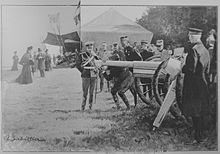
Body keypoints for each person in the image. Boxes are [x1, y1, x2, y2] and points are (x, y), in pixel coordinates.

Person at [182, 27, 210, 143]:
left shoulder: (193, 50)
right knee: (200, 110)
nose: (188, 38)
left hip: (193, 86)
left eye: (190, 35)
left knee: (194, 112)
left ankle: (198, 138)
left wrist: (182, 67)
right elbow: (206, 69)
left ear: (194, 36)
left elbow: (190, 69)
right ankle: (201, 135)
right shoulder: (204, 49)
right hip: (202, 83)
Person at [102, 42, 137, 110]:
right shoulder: (108, 68)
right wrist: (103, 72)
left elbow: (118, 56)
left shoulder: (118, 55)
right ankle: (118, 106)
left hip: (127, 76)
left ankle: (129, 107)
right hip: (120, 79)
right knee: (113, 91)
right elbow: (109, 78)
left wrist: (107, 60)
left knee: (121, 92)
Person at [75, 41, 98, 111]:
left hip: (93, 75)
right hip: (86, 75)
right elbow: (78, 65)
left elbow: (99, 63)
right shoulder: (82, 55)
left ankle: (90, 106)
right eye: (88, 47)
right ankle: (83, 106)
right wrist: (83, 71)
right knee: (85, 92)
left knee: (91, 92)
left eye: (91, 47)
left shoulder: (95, 56)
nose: (90, 48)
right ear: (86, 47)